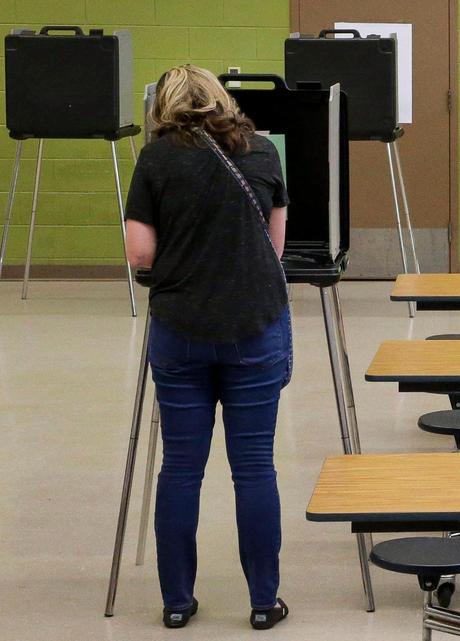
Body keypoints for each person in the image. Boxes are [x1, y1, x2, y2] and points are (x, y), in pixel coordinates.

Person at [124, 64, 292, 630]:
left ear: (164, 106)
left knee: (180, 469)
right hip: (254, 327)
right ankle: (264, 602)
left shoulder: (156, 159)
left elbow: (139, 254)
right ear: (221, 100)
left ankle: (177, 602)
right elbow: (275, 245)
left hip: (181, 330)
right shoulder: (265, 152)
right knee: (253, 468)